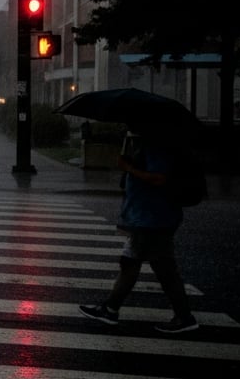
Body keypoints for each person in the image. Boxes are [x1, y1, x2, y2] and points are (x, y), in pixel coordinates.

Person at [79, 132, 198, 334]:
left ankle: (184, 317)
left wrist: (129, 168)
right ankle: (111, 308)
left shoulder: (157, 146)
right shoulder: (150, 144)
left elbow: (159, 178)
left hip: (153, 218)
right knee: (138, 263)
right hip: (148, 217)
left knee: (159, 267)